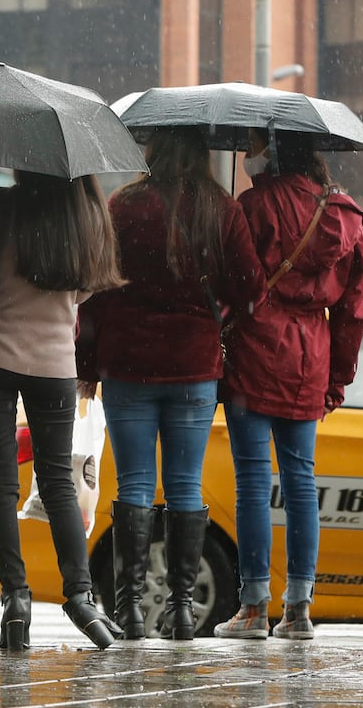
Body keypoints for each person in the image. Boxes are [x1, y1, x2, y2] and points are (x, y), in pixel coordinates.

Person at [75, 127, 264, 640]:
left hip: (127, 366)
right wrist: (217, 310)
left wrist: (87, 365)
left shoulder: (123, 205)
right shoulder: (221, 209)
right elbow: (252, 289)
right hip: (194, 368)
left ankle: (130, 610)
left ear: (153, 149)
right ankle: (181, 611)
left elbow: (96, 292)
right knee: (184, 484)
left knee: (134, 483)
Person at [0, 170, 126, 651]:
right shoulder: (83, 213)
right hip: (54, 367)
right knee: (57, 482)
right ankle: (80, 596)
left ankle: (15, 597)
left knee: (0, 480)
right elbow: (85, 289)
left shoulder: (0, 204)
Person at [213, 128, 363, 640]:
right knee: (301, 482)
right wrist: (337, 378)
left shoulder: (253, 206)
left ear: (275, 153)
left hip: (256, 351)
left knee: (253, 482)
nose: (246, 155)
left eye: (254, 147)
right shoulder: (346, 216)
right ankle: (299, 608)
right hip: (311, 357)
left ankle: (253, 608)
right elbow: (351, 312)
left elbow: (233, 285)